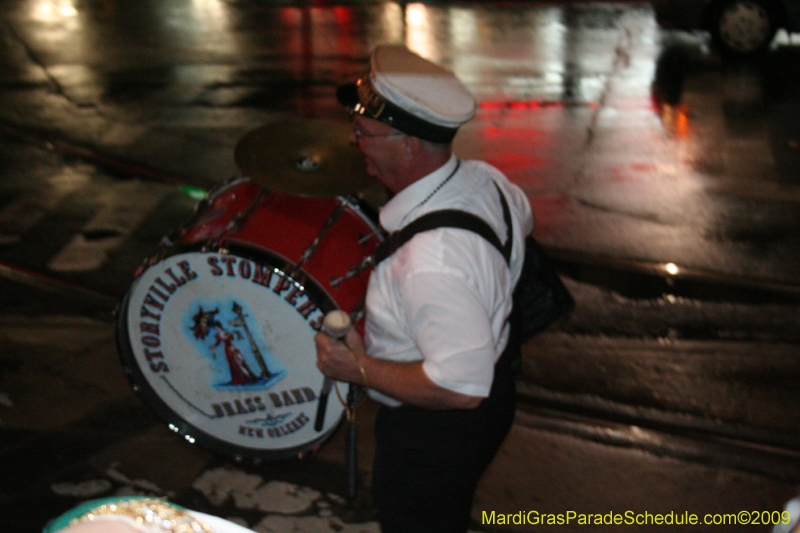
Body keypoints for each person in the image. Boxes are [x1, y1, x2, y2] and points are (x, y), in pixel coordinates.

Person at [314, 44, 533, 533]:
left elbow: (458, 388)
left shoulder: (431, 261)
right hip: (495, 389)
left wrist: (359, 368)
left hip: (436, 431)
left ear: (409, 144)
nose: (354, 142)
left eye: (364, 133)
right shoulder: (486, 181)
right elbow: (520, 231)